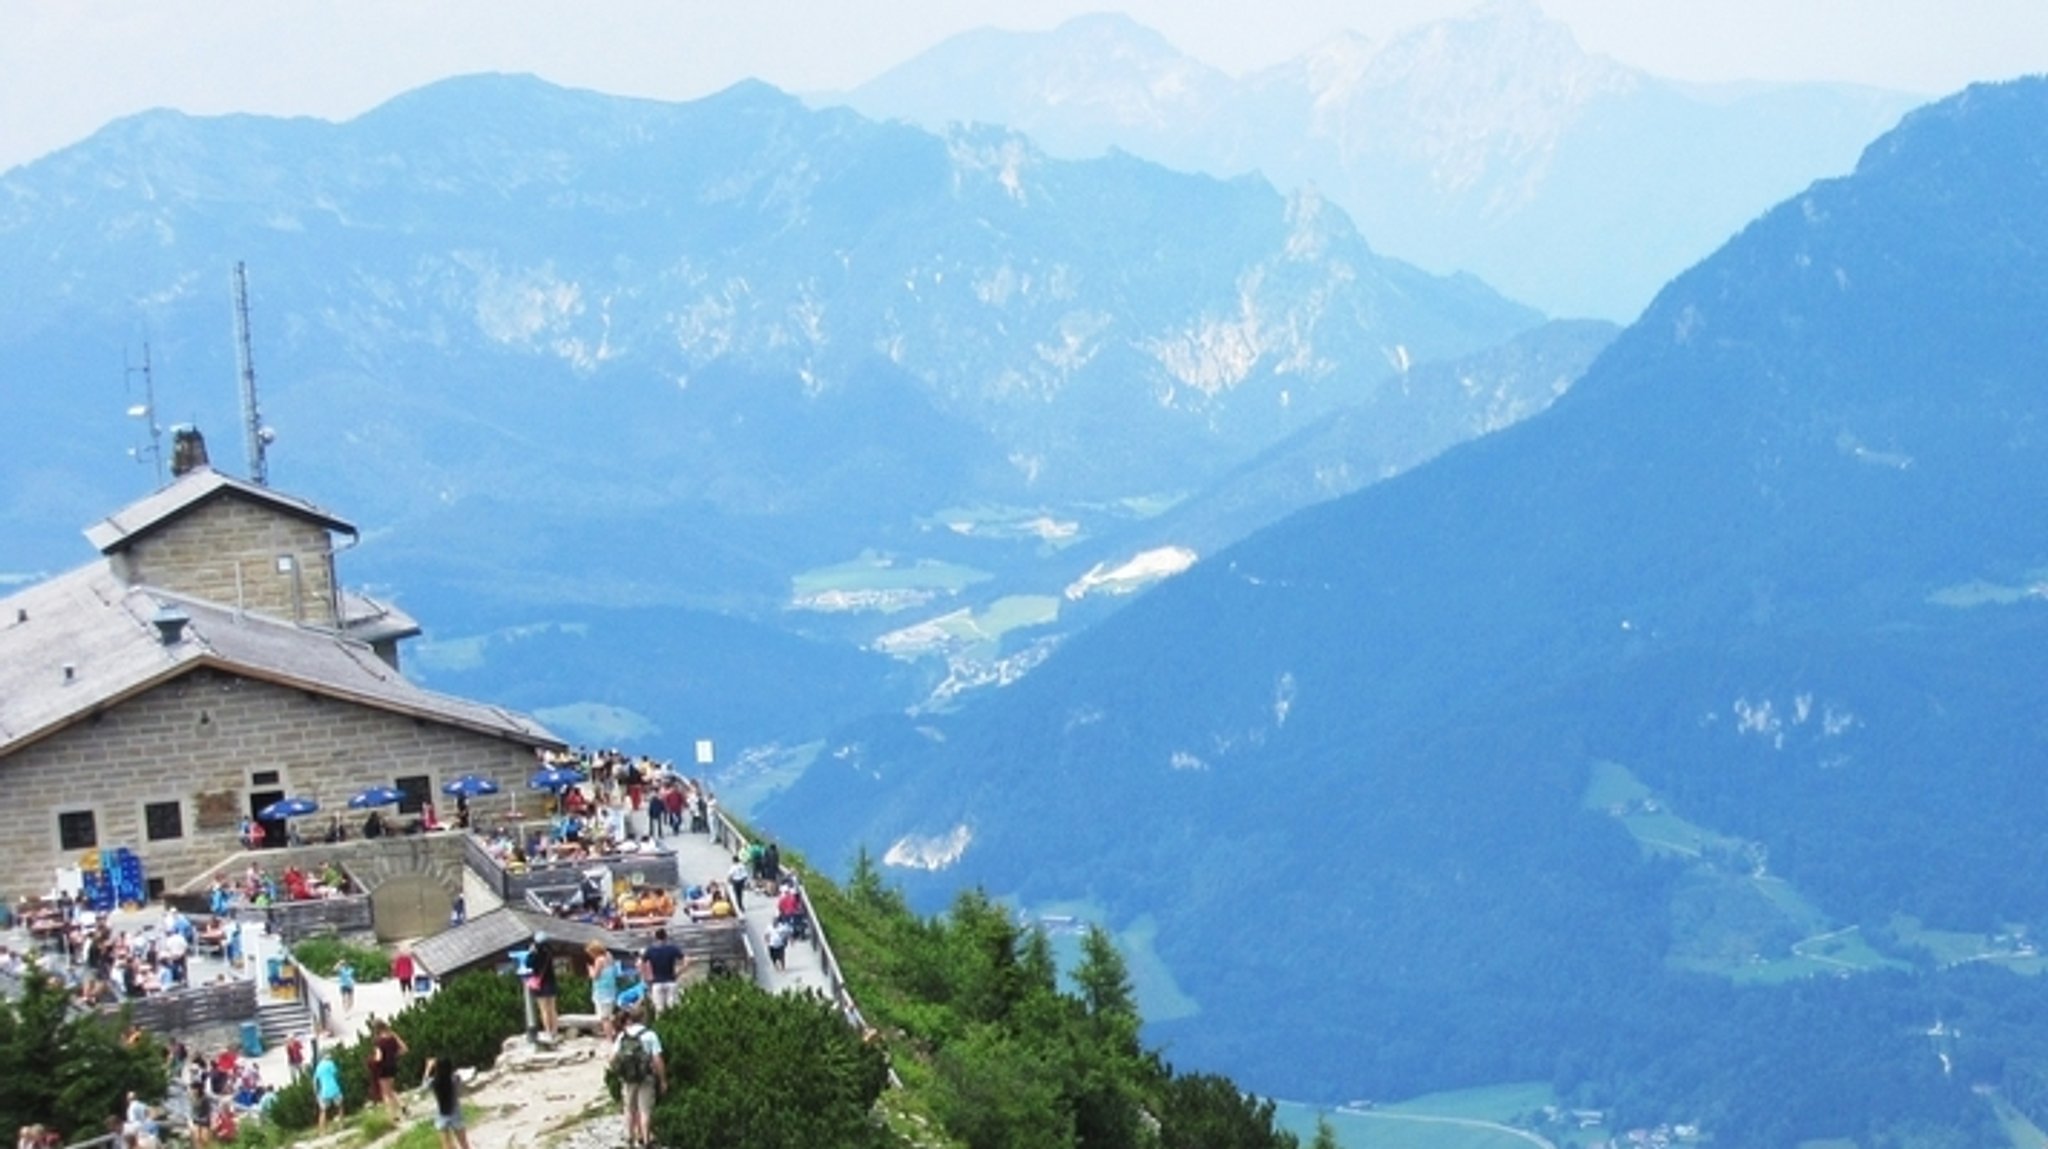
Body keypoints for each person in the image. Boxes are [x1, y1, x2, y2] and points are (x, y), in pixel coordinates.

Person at [610, 1004, 665, 1149]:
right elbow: (657, 1059)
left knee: (629, 1109)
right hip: (646, 1077)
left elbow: (613, 1058)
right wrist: (663, 1079)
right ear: (643, 1018)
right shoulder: (650, 1035)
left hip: (627, 1078)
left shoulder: (622, 1035)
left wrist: (619, 1072)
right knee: (644, 1110)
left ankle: (630, 1138)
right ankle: (646, 1140)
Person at [422, 1056, 471, 1149]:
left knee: (446, 1145)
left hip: (441, 1114)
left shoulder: (434, 1082)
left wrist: (428, 1068)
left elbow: (424, 1086)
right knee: (464, 1144)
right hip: (456, 1113)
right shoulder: (455, 1079)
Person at [638, 928, 686, 1014]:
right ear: (666, 937)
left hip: (657, 982)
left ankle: (661, 1025)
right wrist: (679, 972)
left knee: (659, 1010)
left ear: (655, 937)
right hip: (671, 981)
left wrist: (645, 977)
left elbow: (640, 964)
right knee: (673, 1009)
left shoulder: (650, 950)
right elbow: (687, 960)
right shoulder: (672, 949)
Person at [369, 1019, 408, 1120]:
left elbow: (379, 1057)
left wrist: (371, 1061)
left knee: (385, 1093)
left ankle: (393, 1115)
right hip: (392, 1066)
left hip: (382, 1068)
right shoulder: (393, 1036)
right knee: (391, 1089)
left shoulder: (378, 1041)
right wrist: (393, 1055)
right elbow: (404, 1049)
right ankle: (402, 1106)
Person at [526, 933, 559, 1039]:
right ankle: (555, 1030)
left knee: (543, 1009)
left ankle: (548, 1031)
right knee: (552, 1008)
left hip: (540, 984)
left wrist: (531, 953)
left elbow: (528, 964)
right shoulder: (549, 952)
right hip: (551, 982)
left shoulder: (535, 954)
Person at [585, 940, 621, 1035]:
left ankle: (609, 1038)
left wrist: (590, 970)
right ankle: (613, 1033)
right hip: (611, 990)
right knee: (609, 1015)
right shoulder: (609, 956)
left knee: (604, 1018)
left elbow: (595, 976)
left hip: (602, 992)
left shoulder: (599, 960)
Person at [314, 1049, 344, 1133]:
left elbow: (315, 1081)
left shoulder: (318, 1067)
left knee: (323, 1111)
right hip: (334, 1088)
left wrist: (316, 1093)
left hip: (324, 1091)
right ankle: (341, 1125)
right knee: (340, 1106)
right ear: (326, 1056)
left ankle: (322, 1130)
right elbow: (336, 1074)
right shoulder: (330, 1063)